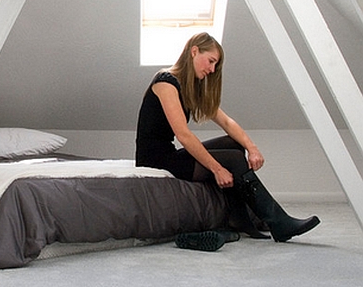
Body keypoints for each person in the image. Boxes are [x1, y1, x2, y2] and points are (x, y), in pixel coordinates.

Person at [135, 32, 320, 245]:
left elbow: (227, 122)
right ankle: (277, 221)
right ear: (194, 51)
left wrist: (252, 148)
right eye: (211, 61)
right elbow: (184, 135)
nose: (212, 69)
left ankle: (240, 217)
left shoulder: (190, 88)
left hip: (169, 154)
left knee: (233, 145)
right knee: (231, 160)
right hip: (154, 160)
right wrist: (217, 169)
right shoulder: (165, 82)